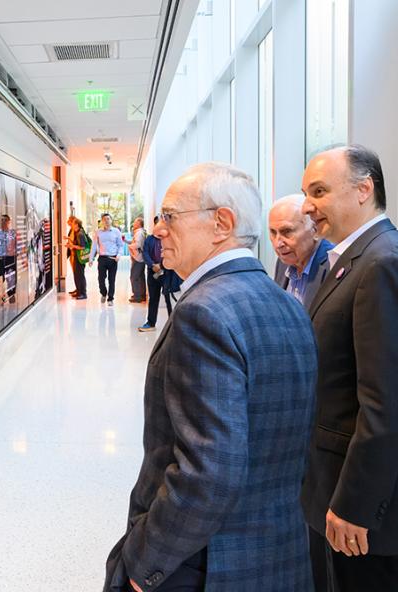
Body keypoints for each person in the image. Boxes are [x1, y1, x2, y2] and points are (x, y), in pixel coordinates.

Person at [103, 163, 316, 592]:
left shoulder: (204, 312)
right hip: (276, 555)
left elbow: (207, 470)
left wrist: (146, 563)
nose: (158, 230)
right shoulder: (286, 303)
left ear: (221, 223)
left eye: (169, 216)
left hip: (205, 564)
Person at [300, 145, 398, 591]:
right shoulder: (348, 261)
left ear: (363, 189)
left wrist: (355, 505)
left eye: (319, 191)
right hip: (329, 489)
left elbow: (385, 401)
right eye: (306, 193)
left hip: (358, 512)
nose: (307, 206)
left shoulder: (381, 263)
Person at [268, 193, 333, 308]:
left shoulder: (333, 263)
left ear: (315, 230)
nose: (278, 243)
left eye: (287, 231)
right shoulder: (284, 261)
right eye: (273, 232)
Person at [137, 216, 175, 332]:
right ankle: (151, 323)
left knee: (169, 297)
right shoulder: (149, 239)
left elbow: (172, 252)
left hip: (167, 271)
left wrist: (162, 265)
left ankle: (172, 325)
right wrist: (153, 265)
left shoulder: (170, 238)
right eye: (159, 224)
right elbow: (145, 253)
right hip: (152, 272)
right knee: (153, 298)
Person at [91, 213, 122, 305]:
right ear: (102, 221)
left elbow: (120, 245)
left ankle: (110, 299)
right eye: (104, 219)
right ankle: (103, 293)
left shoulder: (116, 232)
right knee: (101, 279)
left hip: (113, 259)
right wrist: (91, 259)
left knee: (111, 279)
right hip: (102, 258)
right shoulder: (98, 232)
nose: (107, 221)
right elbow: (94, 246)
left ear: (111, 220)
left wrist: (119, 255)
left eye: (108, 219)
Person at [0, 214, 17, 303]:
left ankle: (11, 293)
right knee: (2, 277)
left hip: (10, 258)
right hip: (1, 258)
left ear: (8, 222)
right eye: (1, 221)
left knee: (10, 277)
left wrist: (16, 252)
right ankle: (3, 295)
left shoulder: (12, 233)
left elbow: (16, 244)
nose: (3, 222)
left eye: (5, 221)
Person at [65, 217, 88, 299]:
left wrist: (72, 246)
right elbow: (76, 243)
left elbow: (82, 247)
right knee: (77, 275)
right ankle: (79, 292)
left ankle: (83, 293)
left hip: (79, 258)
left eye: (73, 223)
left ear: (76, 224)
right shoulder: (77, 232)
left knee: (80, 275)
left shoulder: (80, 234)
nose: (71, 225)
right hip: (76, 257)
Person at [128, 217, 147, 303]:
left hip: (138, 258)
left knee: (134, 277)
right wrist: (127, 242)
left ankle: (137, 296)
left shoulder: (139, 233)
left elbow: (137, 244)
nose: (133, 223)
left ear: (139, 223)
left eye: (135, 222)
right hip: (140, 257)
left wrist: (129, 246)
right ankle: (141, 294)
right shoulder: (140, 232)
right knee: (140, 277)